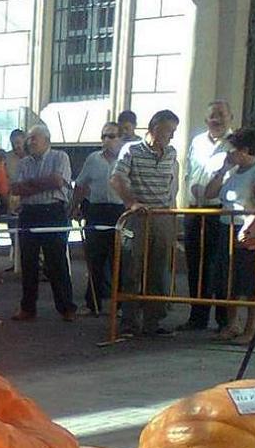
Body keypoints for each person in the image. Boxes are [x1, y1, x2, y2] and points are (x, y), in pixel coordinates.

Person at [111, 109, 181, 337]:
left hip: (162, 217)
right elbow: (117, 178)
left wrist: (172, 213)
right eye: (168, 130)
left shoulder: (171, 153)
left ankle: (154, 321)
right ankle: (129, 323)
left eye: (173, 131)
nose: (171, 136)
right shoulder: (131, 150)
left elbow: (173, 185)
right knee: (132, 268)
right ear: (154, 128)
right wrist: (132, 203)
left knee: (159, 270)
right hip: (138, 217)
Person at [203, 127, 255, 346]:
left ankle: (251, 329)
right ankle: (231, 324)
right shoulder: (233, 171)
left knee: (249, 282)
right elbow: (210, 193)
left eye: (231, 151)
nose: (228, 154)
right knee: (228, 280)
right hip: (227, 227)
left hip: (247, 230)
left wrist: (253, 224)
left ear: (244, 150)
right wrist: (222, 170)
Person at [11, 124, 75, 321]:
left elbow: (57, 181)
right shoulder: (24, 162)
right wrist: (43, 183)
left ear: (46, 140)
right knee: (28, 262)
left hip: (52, 212)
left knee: (56, 261)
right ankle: (28, 308)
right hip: (29, 213)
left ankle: (66, 307)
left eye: (33, 138)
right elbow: (16, 188)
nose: (30, 142)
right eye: (29, 139)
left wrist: (31, 185)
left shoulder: (60, 157)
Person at [182, 100, 233, 331]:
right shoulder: (197, 141)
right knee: (195, 263)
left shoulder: (235, 144)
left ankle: (224, 320)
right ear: (206, 120)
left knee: (220, 265)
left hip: (221, 210)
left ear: (230, 118)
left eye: (221, 115)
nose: (217, 120)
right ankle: (197, 316)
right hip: (195, 209)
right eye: (213, 116)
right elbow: (190, 172)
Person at [71, 122, 127, 315]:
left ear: (120, 139)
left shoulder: (127, 159)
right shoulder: (93, 159)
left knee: (119, 260)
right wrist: (74, 207)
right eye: (103, 136)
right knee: (95, 259)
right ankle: (92, 303)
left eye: (111, 136)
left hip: (120, 211)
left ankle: (120, 305)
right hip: (97, 210)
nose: (106, 140)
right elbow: (80, 184)